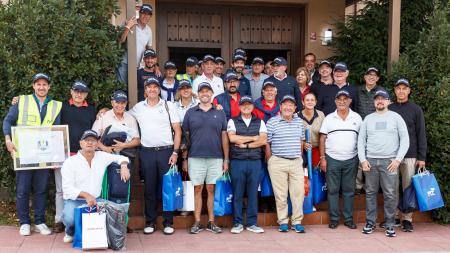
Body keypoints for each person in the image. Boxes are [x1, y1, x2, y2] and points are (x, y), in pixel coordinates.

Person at [3, 73, 62, 236]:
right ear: (33, 86)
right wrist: (8, 140)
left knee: (41, 189)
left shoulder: (56, 105)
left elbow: (57, 131)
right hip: (24, 153)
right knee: (23, 189)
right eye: (38, 84)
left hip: (44, 154)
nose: (41, 87)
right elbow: (8, 121)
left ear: (49, 87)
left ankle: (40, 221)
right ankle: (24, 223)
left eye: (45, 84)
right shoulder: (21, 101)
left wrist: (56, 154)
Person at [129, 77, 182, 235]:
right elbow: (122, 115)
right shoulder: (138, 108)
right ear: (145, 90)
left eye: (155, 87)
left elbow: (177, 130)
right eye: (149, 87)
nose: (152, 89)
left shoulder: (168, 106)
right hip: (147, 153)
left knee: (167, 187)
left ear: (159, 89)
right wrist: (104, 112)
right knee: (150, 189)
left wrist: (175, 152)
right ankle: (150, 222)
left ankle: (168, 222)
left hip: (166, 152)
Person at [61, 130, 130, 243]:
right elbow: (67, 189)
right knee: (70, 218)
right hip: (75, 200)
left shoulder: (101, 156)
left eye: (93, 140)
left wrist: (123, 166)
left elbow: (121, 158)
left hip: (96, 200)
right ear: (81, 143)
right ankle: (70, 231)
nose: (90, 143)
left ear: (97, 144)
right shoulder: (70, 162)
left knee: (117, 212)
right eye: (87, 140)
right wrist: (86, 195)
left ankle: (102, 234)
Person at [358, 89, 409, 237]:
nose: (380, 101)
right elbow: (361, 141)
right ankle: (370, 222)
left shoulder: (396, 117)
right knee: (370, 193)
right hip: (371, 162)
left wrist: (398, 159)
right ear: (374, 102)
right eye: (377, 99)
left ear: (388, 101)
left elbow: (405, 139)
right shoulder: (368, 119)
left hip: (390, 162)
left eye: (383, 98)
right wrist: (363, 160)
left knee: (390, 194)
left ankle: (390, 224)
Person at [182, 82, 229, 234]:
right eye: (202, 91)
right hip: (195, 157)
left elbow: (224, 137)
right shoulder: (190, 112)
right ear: (198, 94)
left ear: (212, 93)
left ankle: (211, 221)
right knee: (197, 189)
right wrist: (184, 159)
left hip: (216, 157)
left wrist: (226, 159)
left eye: (207, 91)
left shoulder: (220, 112)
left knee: (211, 189)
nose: (205, 94)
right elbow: (185, 138)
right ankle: (196, 222)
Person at [319, 90, 362, 230]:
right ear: (335, 101)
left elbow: (362, 139)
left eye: (345, 99)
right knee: (332, 190)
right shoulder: (329, 118)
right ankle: (334, 219)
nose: (342, 101)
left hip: (351, 159)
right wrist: (323, 158)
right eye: (339, 99)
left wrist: (361, 158)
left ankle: (349, 219)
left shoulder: (357, 117)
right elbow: (322, 138)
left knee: (349, 190)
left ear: (350, 101)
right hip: (332, 159)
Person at [389, 78, 427, 232]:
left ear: (409, 91)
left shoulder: (416, 109)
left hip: (410, 155)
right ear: (395, 90)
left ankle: (407, 219)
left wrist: (422, 157)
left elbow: (421, 134)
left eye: (404, 88)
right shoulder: (389, 109)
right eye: (398, 88)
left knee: (408, 188)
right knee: (392, 188)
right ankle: (393, 217)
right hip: (391, 155)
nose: (401, 91)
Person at [227, 96, 267, 234]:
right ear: (239, 106)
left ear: (253, 106)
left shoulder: (259, 121)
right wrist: (253, 137)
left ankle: (252, 223)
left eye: (249, 104)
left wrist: (245, 146)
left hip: (255, 161)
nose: (246, 106)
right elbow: (232, 138)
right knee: (237, 192)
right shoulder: (233, 120)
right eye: (243, 104)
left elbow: (263, 140)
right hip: (238, 161)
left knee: (253, 193)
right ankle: (237, 223)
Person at [266, 95, 306, 233]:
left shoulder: (300, 122)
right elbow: (267, 143)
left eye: (291, 105)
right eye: (285, 104)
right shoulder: (272, 122)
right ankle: (283, 221)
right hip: (278, 161)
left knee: (298, 193)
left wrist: (299, 157)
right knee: (281, 194)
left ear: (295, 108)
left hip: (295, 162)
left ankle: (296, 222)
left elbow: (301, 141)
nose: (288, 107)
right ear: (280, 106)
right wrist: (270, 160)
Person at [355, 67, 383, 195]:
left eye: (374, 75)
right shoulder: (357, 91)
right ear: (365, 77)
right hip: (360, 129)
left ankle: (370, 187)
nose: (371, 77)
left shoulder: (382, 92)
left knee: (372, 157)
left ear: (377, 78)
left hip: (376, 130)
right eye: (369, 75)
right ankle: (358, 185)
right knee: (360, 157)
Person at [92, 90, 140, 154]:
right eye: (117, 102)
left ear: (126, 103)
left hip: (124, 155)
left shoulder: (131, 119)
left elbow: (137, 140)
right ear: (112, 103)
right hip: (105, 155)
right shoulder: (103, 116)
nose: (120, 105)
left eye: (123, 103)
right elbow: (92, 137)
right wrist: (105, 148)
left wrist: (123, 145)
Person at [117, 4, 153, 84]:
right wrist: (128, 27)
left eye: (148, 14)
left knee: (133, 91)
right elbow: (120, 41)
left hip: (137, 66)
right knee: (122, 87)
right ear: (139, 13)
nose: (145, 16)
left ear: (150, 16)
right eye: (143, 13)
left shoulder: (149, 30)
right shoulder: (130, 21)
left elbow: (149, 49)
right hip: (124, 62)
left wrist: (155, 66)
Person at [298, 93, 325, 167]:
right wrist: (303, 144)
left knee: (316, 174)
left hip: (317, 150)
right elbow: (293, 135)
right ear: (303, 102)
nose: (310, 102)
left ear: (315, 102)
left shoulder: (321, 115)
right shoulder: (296, 116)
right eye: (307, 100)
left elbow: (324, 134)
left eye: (312, 100)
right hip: (301, 151)